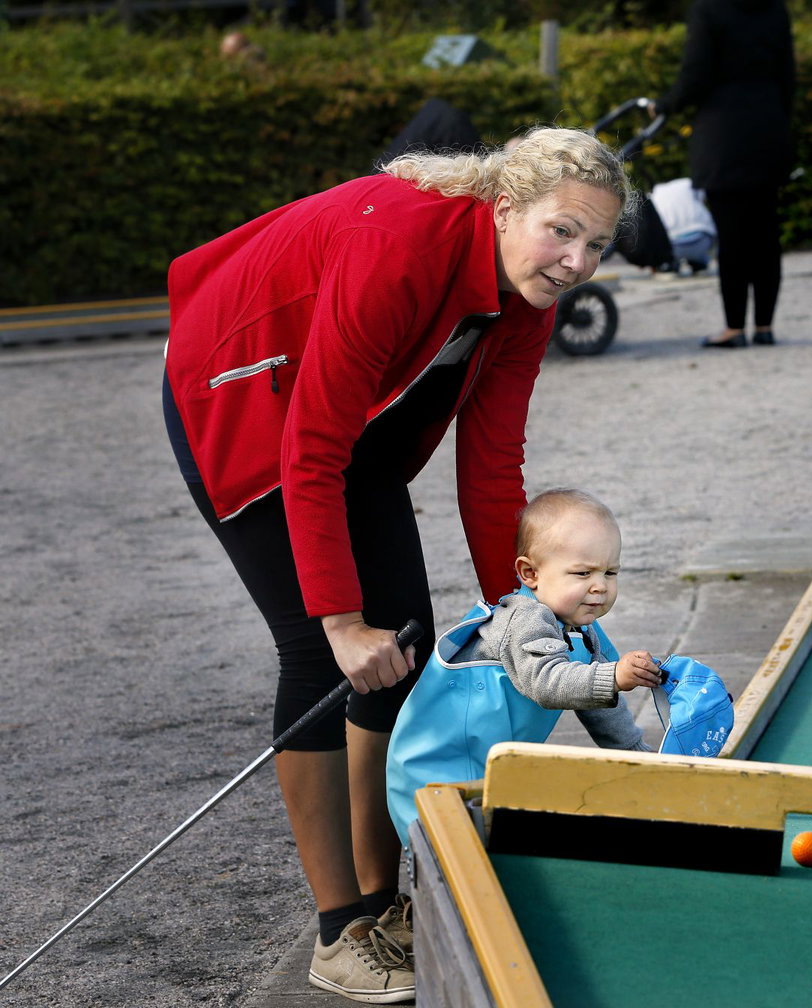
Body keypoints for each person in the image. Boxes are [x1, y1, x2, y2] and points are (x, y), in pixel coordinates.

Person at [162, 126, 631, 1003]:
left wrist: (523, 612)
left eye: (597, 244)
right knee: (321, 653)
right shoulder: (397, 249)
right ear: (504, 210)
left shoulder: (532, 297)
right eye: (561, 231)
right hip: (240, 393)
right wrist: (341, 621)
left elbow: (492, 467)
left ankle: (384, 904)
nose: (575, 261)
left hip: (352, 422)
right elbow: (308, 449)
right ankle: (341, 929)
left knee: (405, 656)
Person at [386, 488, 658, 843]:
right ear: (530, 573)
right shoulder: (523, 619)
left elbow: (599, 703)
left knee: (500, 851)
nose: (600, 587)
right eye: (582, 573)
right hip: (438, 779)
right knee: (456, 869)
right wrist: (615, 676)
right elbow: (547, 682)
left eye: (610, 572)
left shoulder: (581, 623)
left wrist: (639, 758)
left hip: (488, 773)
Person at [654, 0, 795, 348]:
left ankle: (734, 327)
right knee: (765, 234)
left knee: (732, 237)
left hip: (724, 133)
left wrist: (666, 103)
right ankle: (764, 326)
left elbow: (696, 74)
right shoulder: (775, 9)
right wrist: (778, 121)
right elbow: (787, 75)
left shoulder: (709, 9)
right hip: (768, 127)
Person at [649, 177, 717, 275]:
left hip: (674, 246)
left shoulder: (656, 193)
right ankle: (699, 262)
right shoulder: (688, 182)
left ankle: (671, 263)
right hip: (702, 240)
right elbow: (702, 198)